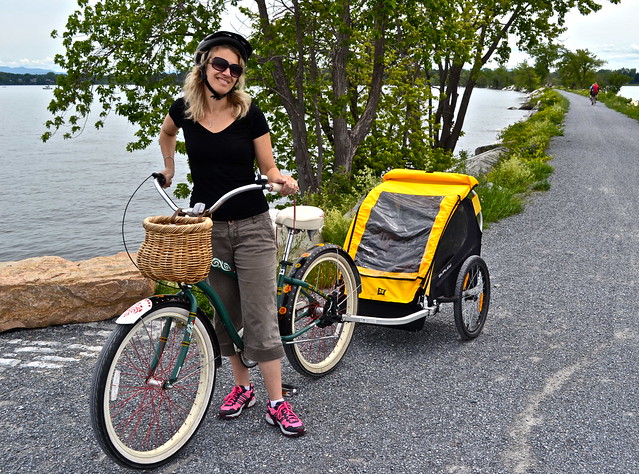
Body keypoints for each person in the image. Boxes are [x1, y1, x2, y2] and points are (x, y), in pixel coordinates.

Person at [157, 31, 305, 437]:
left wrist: (279, 180)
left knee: (259, 315)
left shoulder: (249, 114)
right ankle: (243, 388)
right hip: (209, 227)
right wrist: (169, 168)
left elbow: (270, 168)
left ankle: (276, 400)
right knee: (225, 315)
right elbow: (166, 133)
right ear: (204, 64)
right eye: (220, 64)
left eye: (235, 68)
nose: (227, 73)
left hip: (253, 226)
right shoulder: (184, 109)